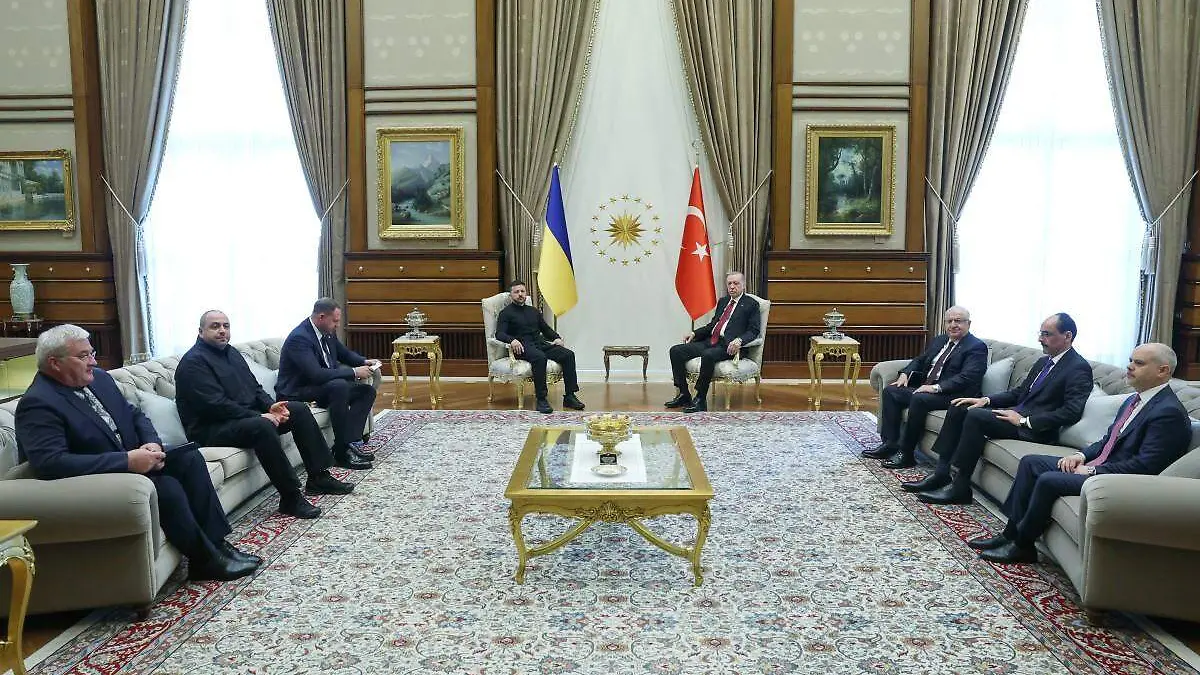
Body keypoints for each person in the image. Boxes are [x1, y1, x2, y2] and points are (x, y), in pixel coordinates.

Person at [15, 324, 259, 581]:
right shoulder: (38, 403)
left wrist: (152, 444)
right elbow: (51, 463)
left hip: (135, 458)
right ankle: (204, 560)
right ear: (54, 363)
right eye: (83, 356)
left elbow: (134, 415)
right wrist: (126, 461)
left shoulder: (100, 379)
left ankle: (217, 545)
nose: (93, 362)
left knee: (190, 458)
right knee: (168, 488)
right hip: (102, 478)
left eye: (92, 353)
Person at [970, 343, 1190, 563]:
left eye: (1139, 363)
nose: (1130, 366)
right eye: (1131, 360)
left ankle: (1023, 545)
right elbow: (1108, 440)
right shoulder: (1135, 400)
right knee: (1031, 463)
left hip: (1119, 480)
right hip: (1100, 465)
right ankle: (1009, 534)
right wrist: (1080, 456)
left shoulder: (1168, 412)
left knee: (1048, 480)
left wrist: (1093, 471)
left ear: (1162, 371)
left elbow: (1146, 466)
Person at [176, 311, 356, 521]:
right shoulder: (193, 363)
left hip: (241, 418)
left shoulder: (231, 353)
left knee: (297, 410)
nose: (222, 331)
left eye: (226, 326)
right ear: (200, 332)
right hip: (211, 428)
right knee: (261, 427)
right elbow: (215, 406)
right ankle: (290, 497)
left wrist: (272, 407)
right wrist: (260, 416)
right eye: (215, 326)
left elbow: (254, 387)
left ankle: (319, 477)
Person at [909, 313, 1093, 505]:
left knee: (976, 417)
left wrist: (1024, 421)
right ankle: (941, 472)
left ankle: (960, 487)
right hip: (1016, 415)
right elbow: (1019, 393)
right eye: (1040, 333)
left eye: (1047, 334)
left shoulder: (1078, 367)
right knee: (960, 406)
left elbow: (1071, 411)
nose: (1040, 339)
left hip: (1037, 429)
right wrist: (985, 400)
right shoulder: (1044, 361)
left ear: (1067, 336)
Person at [863, 306, 987, 469]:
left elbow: (967, 377)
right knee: (891, 392)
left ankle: (906, 453)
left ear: (968, 324)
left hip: (954, 394)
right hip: (927, 389)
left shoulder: (976, 347)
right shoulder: (940, 340)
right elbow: (920, 360)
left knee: (919, 398)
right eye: (949, 321)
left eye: (958, 321)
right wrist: (905, 373)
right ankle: (890, 444)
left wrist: (935, 388)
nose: (953, 325)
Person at [276, 298, 378, 465]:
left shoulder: (327, 332)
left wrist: (363, 361)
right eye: (335, 321)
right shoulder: (299, 338)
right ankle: (341, 452)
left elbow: (343, 353)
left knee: (366, 392)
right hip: (297, 392)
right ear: (321, 317)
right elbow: (315, 374)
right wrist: (353, 372)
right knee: (339, 386)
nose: (337, 325)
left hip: (321, 388)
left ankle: (351, 442)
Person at [665, 271, 761, 413]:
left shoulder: (751, 304)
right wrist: (694, 333)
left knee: (708, 355)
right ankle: (684, 394)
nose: (732, 286)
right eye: (729, 283)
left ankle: (700, 399)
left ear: (743, 285)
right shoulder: (723, 301)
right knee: (676, 351)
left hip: (729, 346)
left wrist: (739, 340)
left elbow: (754, 330)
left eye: (736, 283)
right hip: (711, 341)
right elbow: (712, 325)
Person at [494, 280, 585, 414]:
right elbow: (499, 333)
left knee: (568, 355)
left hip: (540, 343)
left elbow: (545, 329)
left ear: (526, 293)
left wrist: (556, 338)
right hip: (523, 347)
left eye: (522, 291)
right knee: (540, 357)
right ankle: (541, 399)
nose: (520, 294)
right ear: (511, 295)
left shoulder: (533, 311)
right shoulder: (506, 313)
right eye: (516, 292)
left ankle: (570, 396)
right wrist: (512, 340)